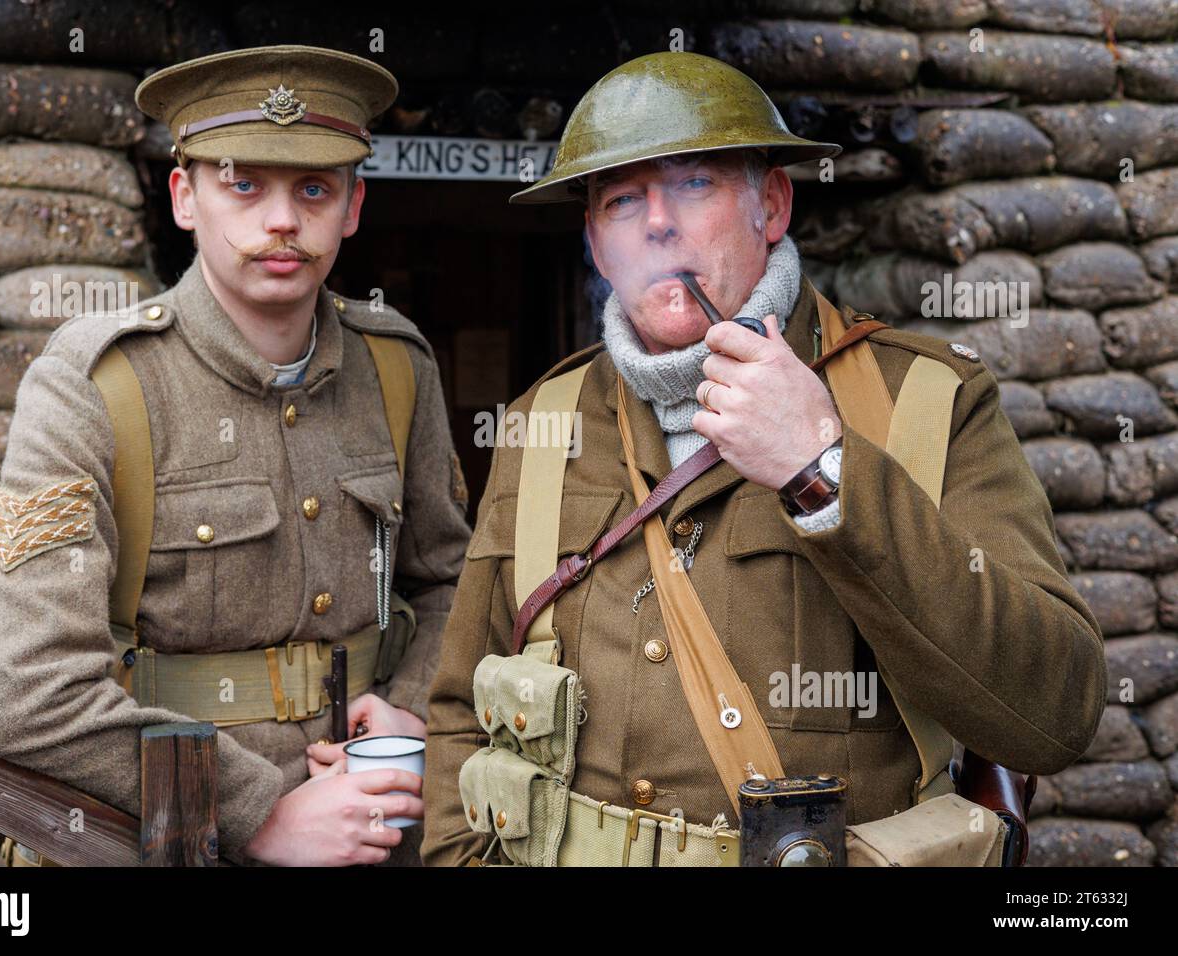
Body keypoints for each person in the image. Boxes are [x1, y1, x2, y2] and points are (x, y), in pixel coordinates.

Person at [420, 51, 1106, 867]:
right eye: (623, 201)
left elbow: (1053, 711)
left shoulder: (925, 401)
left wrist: (824, 467)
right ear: (597, 247)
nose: (658, 224)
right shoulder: (543, 422)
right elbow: (464, 706)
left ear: (772, 205)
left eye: (694, 184)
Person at [0, 44, 471, 867]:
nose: (281, 222)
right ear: (184, 196)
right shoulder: (96, 383)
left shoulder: (397, 369)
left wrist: (413, 710)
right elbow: (18, 691)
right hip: (160, 839)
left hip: (374, 829)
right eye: (242, 184)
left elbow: (449, 580)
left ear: (354, 204)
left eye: (313, 188)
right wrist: (257, 813)